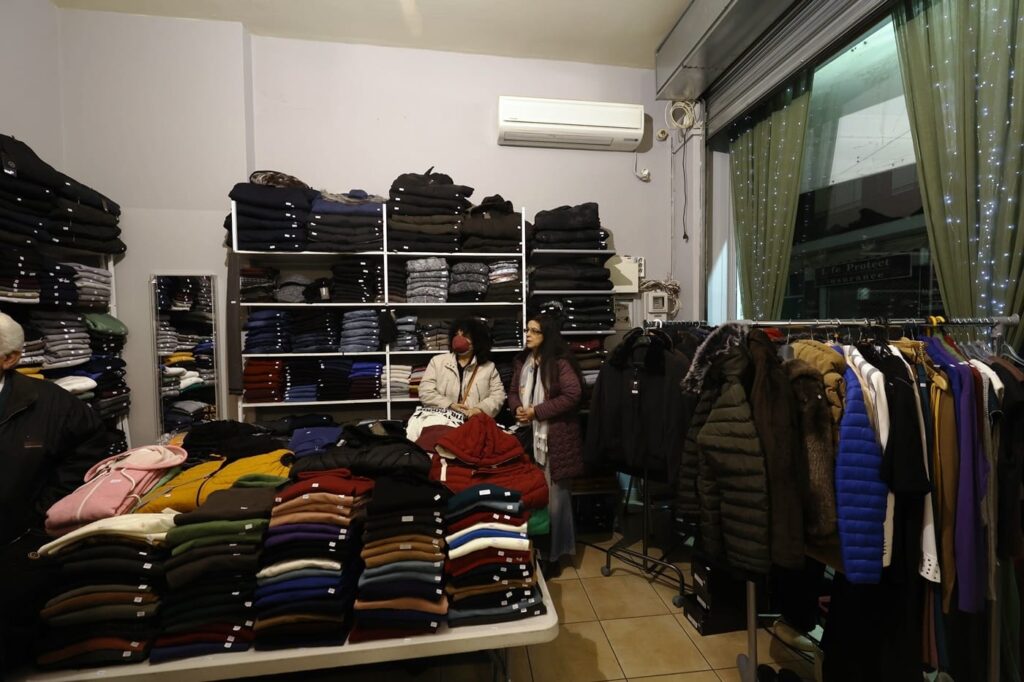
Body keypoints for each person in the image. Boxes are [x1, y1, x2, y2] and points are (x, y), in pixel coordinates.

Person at [0, 312, 110, 671]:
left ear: (10, 359)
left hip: (19, 545)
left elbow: (89, 452)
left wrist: (45, 511)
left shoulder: (49, 403)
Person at [509, 313, 585, 577]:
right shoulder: (523, 361)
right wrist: (518, 409)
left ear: (547, 335)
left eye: (534, 331)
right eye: (527, 330)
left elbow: (573, 394)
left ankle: (555, 555)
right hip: (529, 436)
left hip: (555, 438)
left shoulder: (560, 363)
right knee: (533, 495)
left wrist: (537, 412)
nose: (528, 335)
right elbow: (513, 392)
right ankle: (538, 549)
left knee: (556, 500)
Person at [419, 317, 506, 418]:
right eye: (456, 335)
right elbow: (425, 391)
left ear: (477, 340)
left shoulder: (488, 367)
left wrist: (479, 410)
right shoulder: (437, 362)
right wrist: (449, 405)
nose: (459, 339)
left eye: (465, 336)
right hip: (443, 420)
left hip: (474, 421)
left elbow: (498, 395)